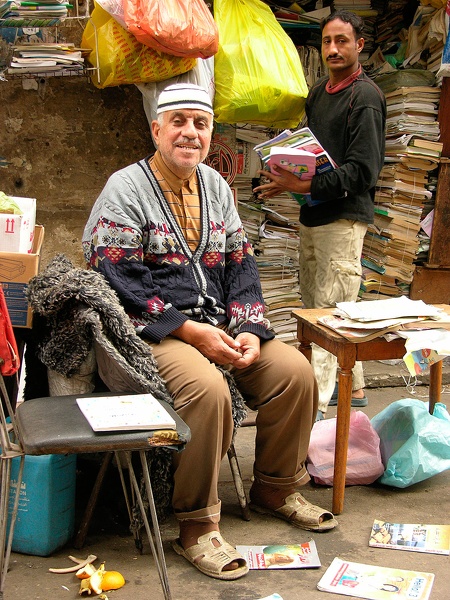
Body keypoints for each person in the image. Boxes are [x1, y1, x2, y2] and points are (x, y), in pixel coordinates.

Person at [82, 83, 337, 581]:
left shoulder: (217, 188)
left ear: (210, 133)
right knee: (208, 390)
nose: (189, 133)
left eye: (200, 124)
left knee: (295, 373)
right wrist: (191, 332)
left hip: (219, 325)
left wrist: (248, 330)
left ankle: (276, 486)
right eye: (177, 122)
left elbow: (242, 266)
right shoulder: (125, 189)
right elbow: (116, 278)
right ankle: (197, 524)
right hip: (152, 332)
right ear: (156, 130)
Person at [254, 10, 387, 419]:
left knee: (329, 314)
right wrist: (285, 177)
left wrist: (304, 186)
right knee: (321, 309)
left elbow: (363, 172)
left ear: (359, 45)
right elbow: (310, 155)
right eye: (327, 41)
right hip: (313, 216)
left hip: (343, 219)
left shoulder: (364, 97)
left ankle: (311, 413)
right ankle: (356, 386)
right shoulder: (318, 94)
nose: (333, 49)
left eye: (342, 41)